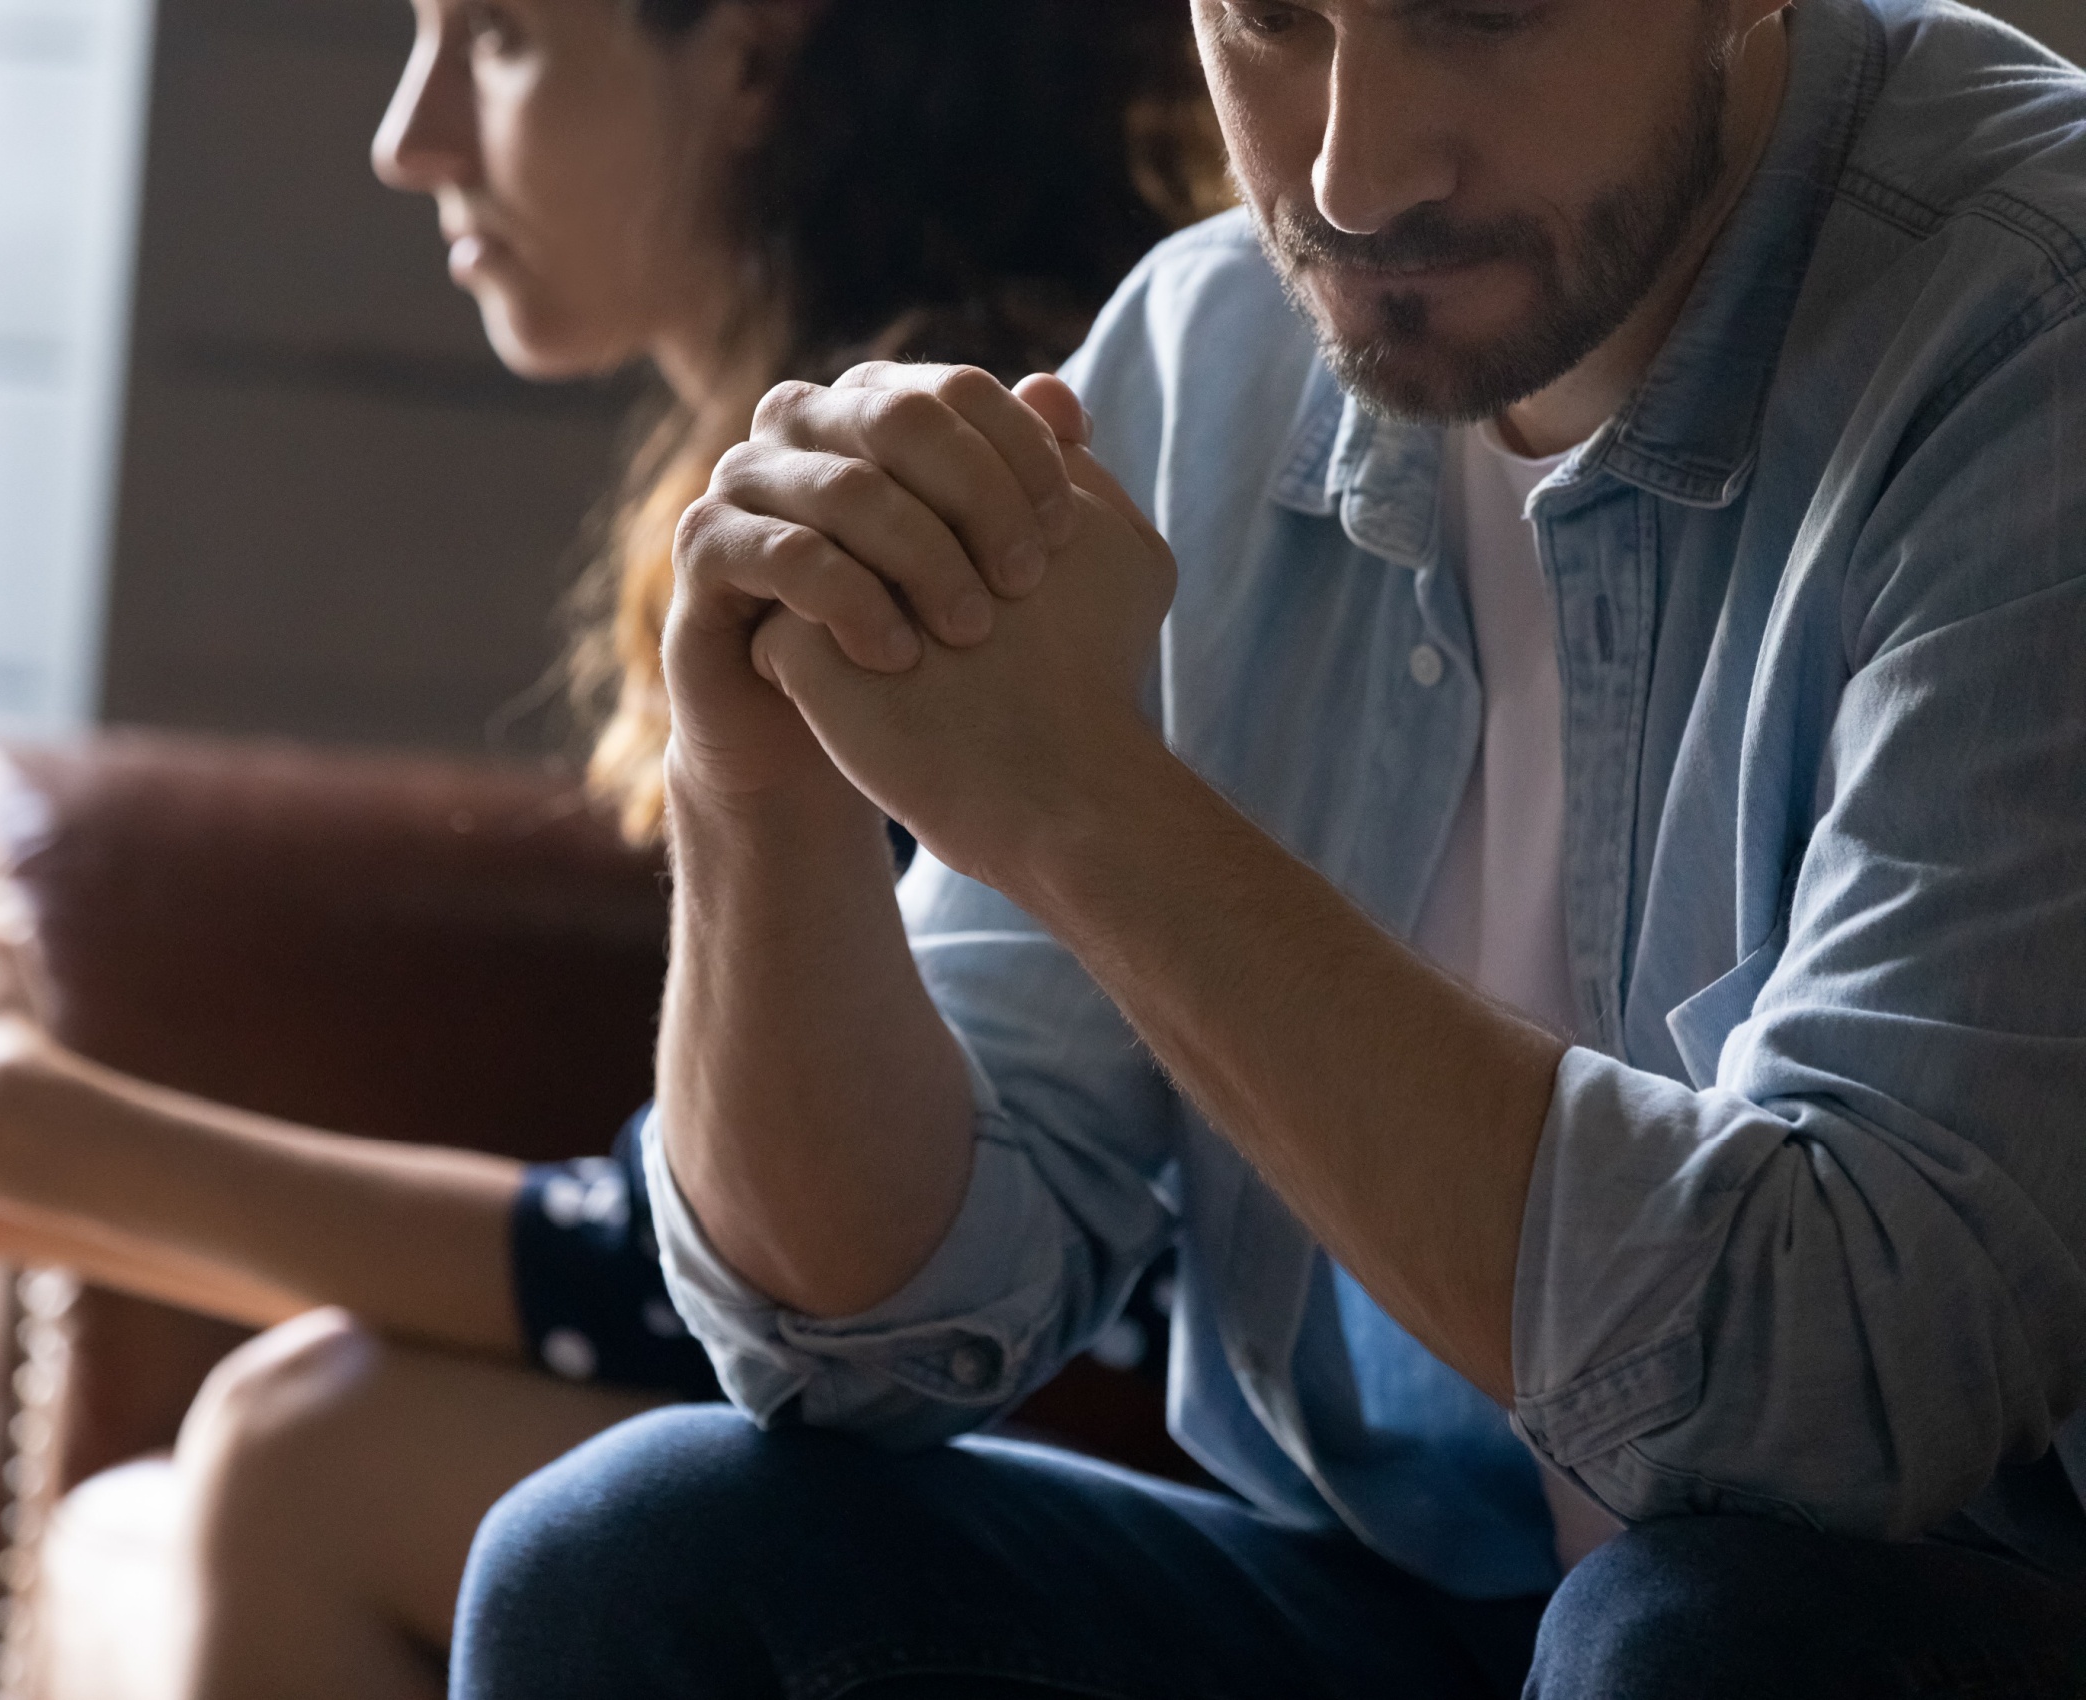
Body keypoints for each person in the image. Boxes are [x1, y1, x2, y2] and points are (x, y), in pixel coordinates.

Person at [0, 2, 1220, 1696]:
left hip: (1130, 1473)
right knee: (172, 1526)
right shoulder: (816, 460)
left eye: (494, 37)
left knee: (312, 1452)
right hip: (955, 1419)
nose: (408, 138)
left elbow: (725, 1285)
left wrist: (21, 1144)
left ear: (751, 54)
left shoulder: (957, 492)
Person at [442, 0, 2086, 1695]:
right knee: (643, 1555)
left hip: (1927, 1617)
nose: (1354, 175)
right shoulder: (1210, 350)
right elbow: (854, 1334)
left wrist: (1092, 812)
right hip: (1425, 1602)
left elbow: (1848, 1406)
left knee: (1706, 1640)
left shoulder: (2034, 325)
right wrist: (755, 785)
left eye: (1482, 15)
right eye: (1272, 20)